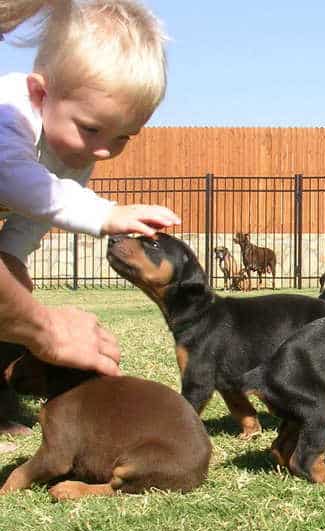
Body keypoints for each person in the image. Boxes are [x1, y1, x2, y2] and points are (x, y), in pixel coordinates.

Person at [0, 0, 178, 443]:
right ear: (42, 95)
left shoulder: (74, 153)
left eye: (123, 137)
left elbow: (32, 215)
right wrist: (107, 214)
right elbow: (21, 185)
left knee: (11, 304)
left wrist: (12, 256)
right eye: (92, 129)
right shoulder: (9, 114)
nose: (103, 150)